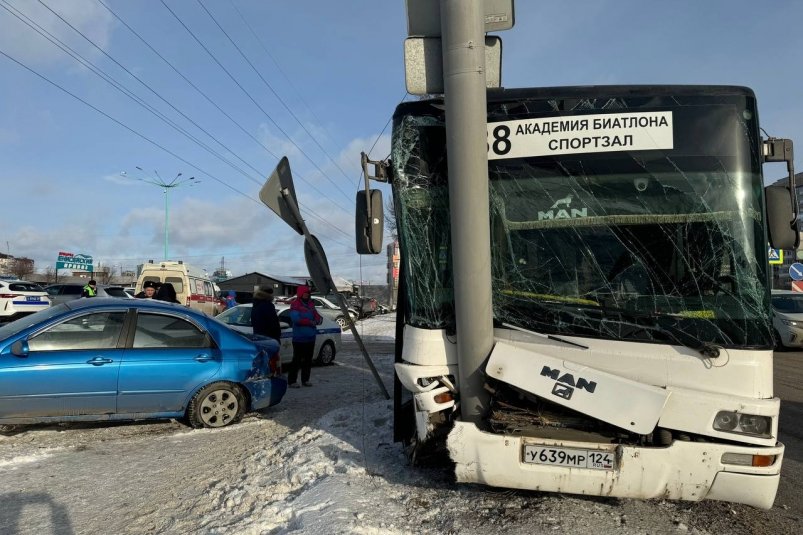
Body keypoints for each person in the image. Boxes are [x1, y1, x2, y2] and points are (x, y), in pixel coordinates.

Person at [288, 285, 322, 388]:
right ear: (300, 294)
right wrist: (309, 322)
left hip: (311, 337)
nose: (306, 295)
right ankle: (292, 381)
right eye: (305, 293)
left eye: (308, 293)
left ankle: (305, 380)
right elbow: (296, 319)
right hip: (299, 338)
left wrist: (318, 320)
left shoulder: (311, 304)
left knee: (308, 360)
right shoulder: (295, 305)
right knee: (297, 360)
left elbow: (316, 315)